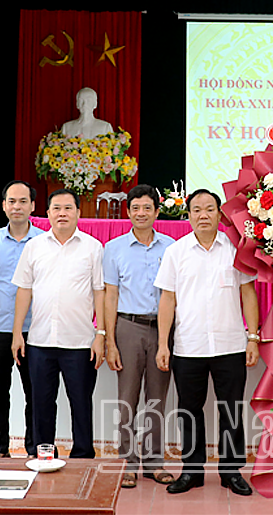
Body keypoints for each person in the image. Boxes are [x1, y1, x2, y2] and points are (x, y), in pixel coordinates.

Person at [154, 189, 260, 496]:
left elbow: (248, 295)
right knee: (189, 410)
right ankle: (192, 471)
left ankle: (231, 472)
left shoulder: (234, 249)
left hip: (230, 345)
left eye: (209, 209)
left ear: (219, 214)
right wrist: (164, 343)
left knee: (231, 410)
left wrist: (252, 337)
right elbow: (167, 299)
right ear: (188, 216)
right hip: (188, 347)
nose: (203, 215)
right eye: (197, 210)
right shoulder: (176, 252)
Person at [12, 189, 106, 458]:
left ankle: (83, 457)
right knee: (41, 404)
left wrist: (100, 334)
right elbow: (24, 290)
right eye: (56, 208)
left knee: (81, 403)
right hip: (40, 342)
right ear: (48, 213)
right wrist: (18, 332)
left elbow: (100, 291)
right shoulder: (34, 247)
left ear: (78, 212)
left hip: (80, 342)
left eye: (68, 208)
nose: (62, 213)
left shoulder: (92, 247)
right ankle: (44, 456)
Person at [103, 185, 176, 488]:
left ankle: (155, 462)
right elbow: (110, 295)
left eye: (147, 208)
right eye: (136, 208)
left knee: (157, 399)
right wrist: (110, 341)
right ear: (128, 212)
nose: (141, 213)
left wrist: (166, 338)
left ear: (157, 212)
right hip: (128, 327)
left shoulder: (171, 248)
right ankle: (127, 462)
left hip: (162, 329)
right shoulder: (114, 249)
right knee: (127, 399)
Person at [0, 181, 44, 458]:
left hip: (36, 329)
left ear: (32, 206)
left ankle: (34, 448)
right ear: (4, 205)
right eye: (11, 201)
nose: (16, 207)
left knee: (36, 393)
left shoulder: (45, 241)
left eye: (22, 201)